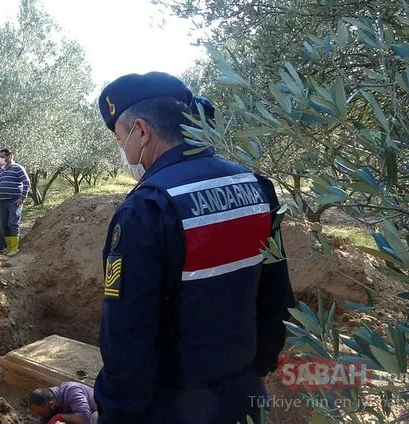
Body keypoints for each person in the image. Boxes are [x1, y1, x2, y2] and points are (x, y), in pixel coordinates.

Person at [92, 72, 295, 423]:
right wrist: (259, 366)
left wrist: (117, 413)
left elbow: (127, 333)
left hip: (175, 405)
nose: (122, 150)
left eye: (120, 137)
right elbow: (276, 293)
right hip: (245, 393)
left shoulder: (146, 209)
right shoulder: (256, 188)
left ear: (141, 130)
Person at [0, 148, 30, 257]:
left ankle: (14, 248)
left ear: (10, 156)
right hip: (2, 202)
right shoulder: (2, 171)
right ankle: (8, 247)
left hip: (14, 201)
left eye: (3, 156)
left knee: (13, 223)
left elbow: (26, 182)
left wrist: (22, 198)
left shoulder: (18, 168)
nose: (1, 159)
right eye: (0, 157)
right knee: (3, 224)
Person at [27, 382, 98, 424]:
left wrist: (59, 417)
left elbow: (85, 418)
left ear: (51, 404)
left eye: (43, 414)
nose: (41, 417)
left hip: (104, 415)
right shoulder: (52, 400)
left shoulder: (72, 391)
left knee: (95, 417)